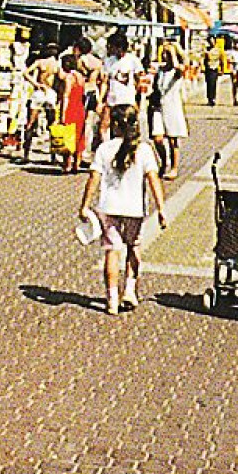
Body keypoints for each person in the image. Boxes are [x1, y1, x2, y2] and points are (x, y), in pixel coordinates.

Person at [79, 104, 166, 315]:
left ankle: (111, 299)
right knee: (133, 247)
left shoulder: (104, 149)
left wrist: (84, 205)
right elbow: (153, 179)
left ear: (115, 125)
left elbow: (94, 178)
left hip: (109, 207)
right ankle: (129, 289)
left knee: (112, 251)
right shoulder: (143, 149)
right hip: (134, 209)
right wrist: (161, 208)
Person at [150, 40, 189, 179]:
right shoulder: (160, 70)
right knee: (157, 138)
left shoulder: (177, 70)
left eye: (167, 53)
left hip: (173, 106)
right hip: (159, 107)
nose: (165, 55)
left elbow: (179, 69)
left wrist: (173, 54)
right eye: (164, 53)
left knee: (173, 140)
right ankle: (163, 161)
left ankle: (174, 167)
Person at [21, 42, 62, 161]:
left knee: (31, 123)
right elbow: (61, 80)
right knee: (52, 125)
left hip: (39, 92)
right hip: (50, 92)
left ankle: (26, 154)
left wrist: (36, 84)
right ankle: (53, 156)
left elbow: (25, 73)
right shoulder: (56, 65)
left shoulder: (40, 62)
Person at [58, 53, 89, 174]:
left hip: (70, 108)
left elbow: (66, 96)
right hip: (80, 108)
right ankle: (77, 164)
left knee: (68, 136)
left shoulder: (69, 78)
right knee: (79, 137)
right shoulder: (80, 77)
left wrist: (62, 114)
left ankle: (67, 165)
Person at [202, 38, 224, 106]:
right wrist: (202, 67)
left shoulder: (218, 50)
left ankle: (213, 98)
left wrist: (222, 69)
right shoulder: (206, 50)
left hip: (215, 68)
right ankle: (209, 98)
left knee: (213, 83)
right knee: (208, 84)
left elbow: (221, 60)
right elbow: (203, 59)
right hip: (208, 68)